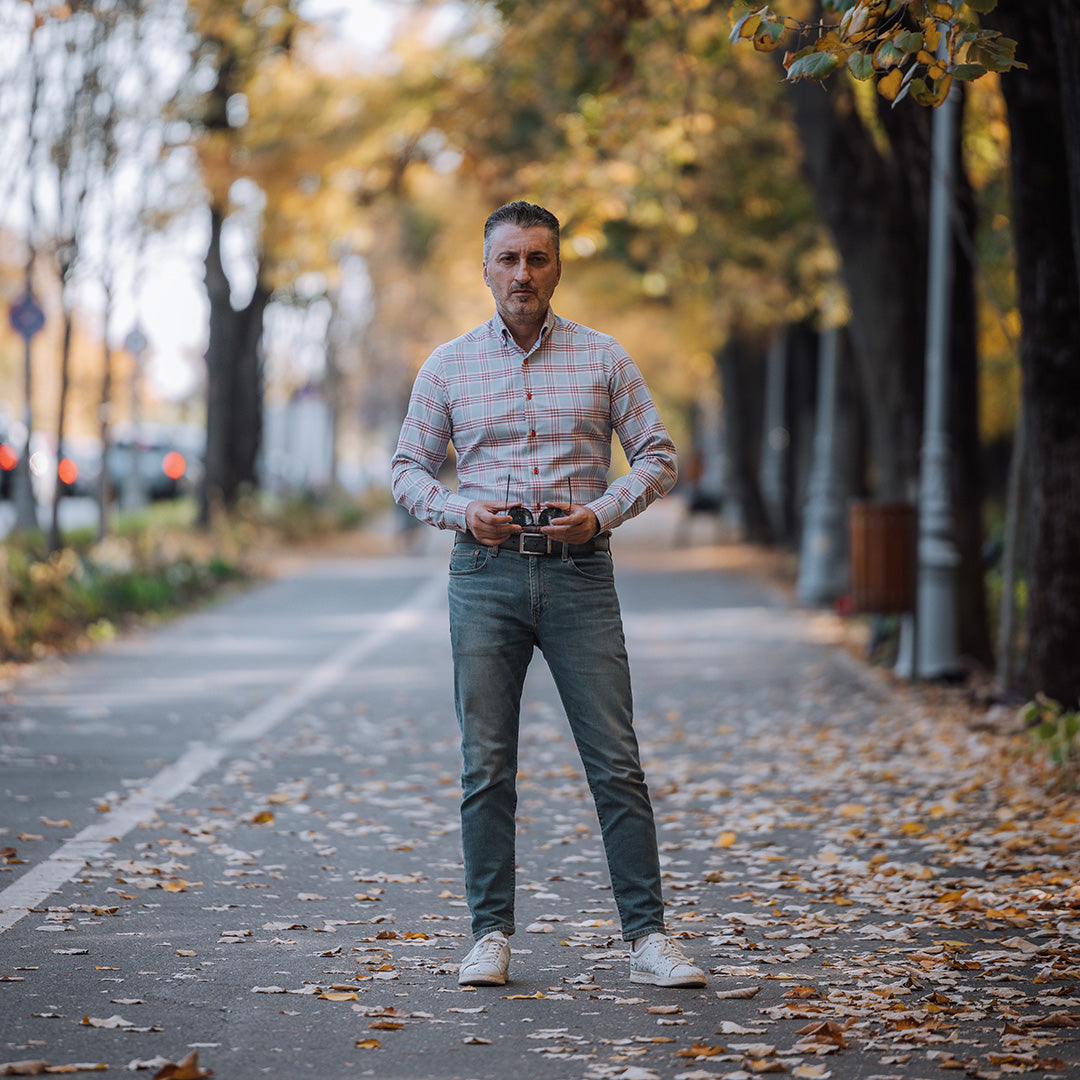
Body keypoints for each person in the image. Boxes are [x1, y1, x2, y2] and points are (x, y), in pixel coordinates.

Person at [391, 201, 705, 989]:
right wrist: (463, 511)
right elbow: (407, 470)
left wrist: (600, 514)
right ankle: (489, 935)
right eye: (508, 259)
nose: (522, 274)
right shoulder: (449, 366)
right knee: (487, 766)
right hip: (485, 574)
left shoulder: (603, 359)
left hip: (580, 575)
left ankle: (649, 939)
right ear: (487, 267)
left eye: (536, 258)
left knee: (615, 763)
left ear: (558, 266)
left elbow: (658, 456)